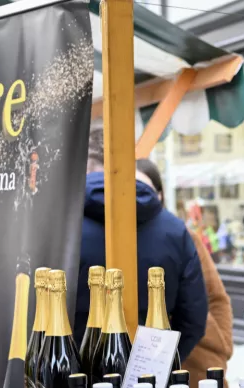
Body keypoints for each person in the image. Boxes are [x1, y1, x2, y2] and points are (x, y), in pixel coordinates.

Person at [75, 131, 208, 361]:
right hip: (149, 372)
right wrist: (160, 365)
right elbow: (193, 318)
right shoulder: (174, 229)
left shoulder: (61, 227)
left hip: (76, 374)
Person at [136, 159, 234, 388]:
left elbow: (217, 297)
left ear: (159, 195)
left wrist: (222, 345)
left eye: (146, 188)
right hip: (143, 374)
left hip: (199, 368)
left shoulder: (181, 235)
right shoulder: (111, 239)